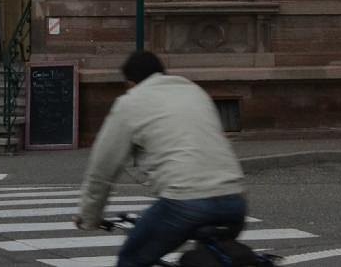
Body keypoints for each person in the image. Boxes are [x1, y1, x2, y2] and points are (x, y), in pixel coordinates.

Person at [76, 50, 247, 266]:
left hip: (185, 202)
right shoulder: (194, 92)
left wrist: (90, 216)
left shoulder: (130, 102)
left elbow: (102, 168)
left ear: (130, 82)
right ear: (162, 73)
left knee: (131, 259)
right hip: (234, 201)